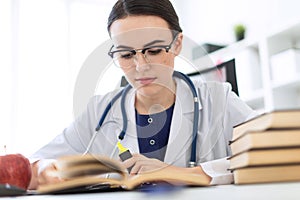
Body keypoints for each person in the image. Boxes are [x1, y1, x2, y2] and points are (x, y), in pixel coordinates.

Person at [28, 0, 257, 189]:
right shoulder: (99, 110)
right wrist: (46, 171)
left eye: (154, 51)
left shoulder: (218, 100)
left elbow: (279, 153)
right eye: (126, 55)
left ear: (177, 44)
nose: (140, 66)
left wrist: (183, 173)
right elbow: (35, 162)